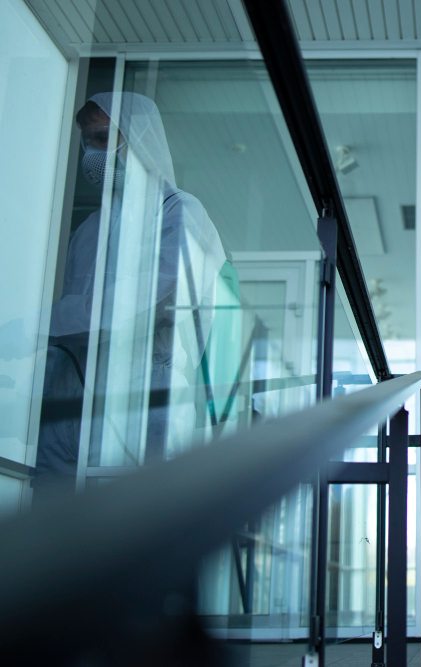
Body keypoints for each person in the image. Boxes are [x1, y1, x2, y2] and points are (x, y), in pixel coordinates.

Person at [29, 92, 227, 501]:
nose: (91, 153)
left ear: (138, 142)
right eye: (87, 141)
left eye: (103, 139)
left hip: (142, 397)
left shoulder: (179, 213)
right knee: (51, 538)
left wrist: (43, 322)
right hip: (70, 402)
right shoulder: (88, 229)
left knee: (132, 532)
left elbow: (139, 303)